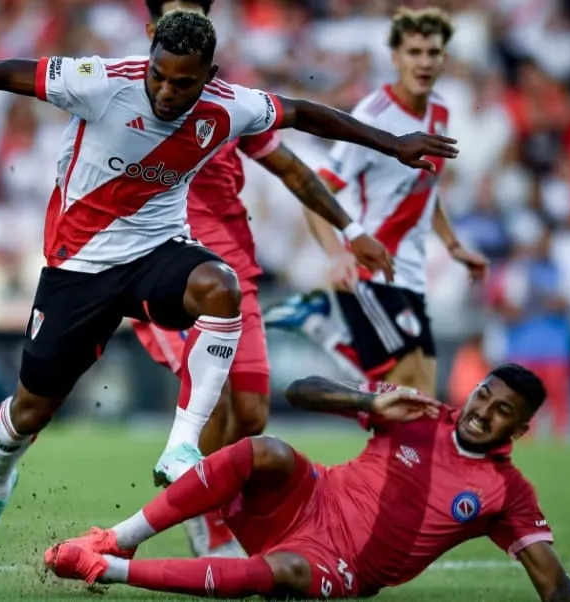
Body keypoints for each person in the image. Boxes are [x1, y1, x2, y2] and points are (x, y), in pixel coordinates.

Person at [0, 9, 458, 563]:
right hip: (79, 267)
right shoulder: (101, 82)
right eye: (158, 76)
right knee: (31, 411)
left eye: (182, 83)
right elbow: (0, 72)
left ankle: (181, 447)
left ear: (208, 76)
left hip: (156, 252)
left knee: (220, 286)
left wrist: (392, 144)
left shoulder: (230, 105)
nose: (166, 92)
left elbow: (302, 113)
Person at [133, 0, 386, 558]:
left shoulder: (233, 104)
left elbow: (291, 167)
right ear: (152, 30)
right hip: (166, 271)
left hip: (233, 272)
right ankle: (204, 519)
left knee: (250, 414)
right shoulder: (128, 95)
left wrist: (351, 229)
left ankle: (207, 502)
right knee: (216, 401)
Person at [44, 365, 570, 602]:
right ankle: (118, 538)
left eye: (501, 412)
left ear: (518, 430)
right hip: (311, 495)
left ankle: (104, 570)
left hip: (340, 563)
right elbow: (298, 391)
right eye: (483, 396)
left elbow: (555, 587)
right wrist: (367, 400)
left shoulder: (508, 492)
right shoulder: (417, 411)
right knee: (265, 449)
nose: (482, 412)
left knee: (285, 574)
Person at [264, 6, 488, 397]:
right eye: (414, 52)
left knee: (416, 396)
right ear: (395, 58)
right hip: (373, 271)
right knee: (404, 396)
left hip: (410, 272)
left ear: (444, 59)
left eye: (432, 53)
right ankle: (324, 327)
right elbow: (315, 190)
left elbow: (425, 189)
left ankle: (323, 326)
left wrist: (453, 245)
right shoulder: (375, 117)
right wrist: (338, 255)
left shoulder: (439, 111)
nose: (424, 62)